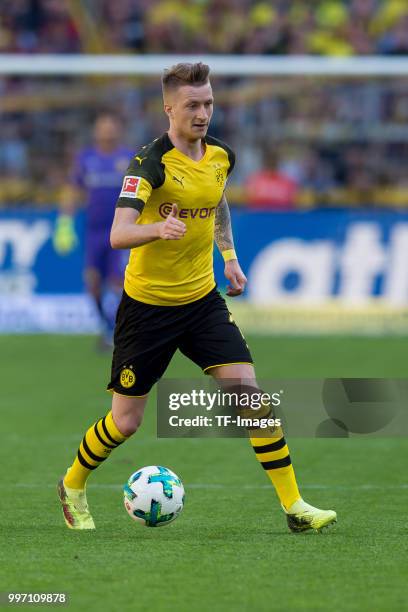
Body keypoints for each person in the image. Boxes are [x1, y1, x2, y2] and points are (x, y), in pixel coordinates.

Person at [57, 62, 337, 533]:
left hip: (202, 301)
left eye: (208, 103)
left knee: (251, 398)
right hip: (147, 308)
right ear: (169, 108)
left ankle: (295, 507)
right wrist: (157, 228)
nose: (203, 112)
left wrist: (228, 254)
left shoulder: (221, 155)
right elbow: (118, 234)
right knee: (125, 422)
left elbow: (217, 198)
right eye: (193, 105)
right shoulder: (149, 162)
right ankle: (72, 484)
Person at [53, 113, 133, 346]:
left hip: (121, 230)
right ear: (96, 131)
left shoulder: (128, 158)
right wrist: (64, 224)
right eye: (103, 127)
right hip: (94, 231)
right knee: (93, 283)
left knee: (119, 282)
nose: (107, 132)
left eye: (111, 127)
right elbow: (72, 190)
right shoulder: (86, 158)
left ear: (117, 130)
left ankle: (115, 330)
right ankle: (107, 325)